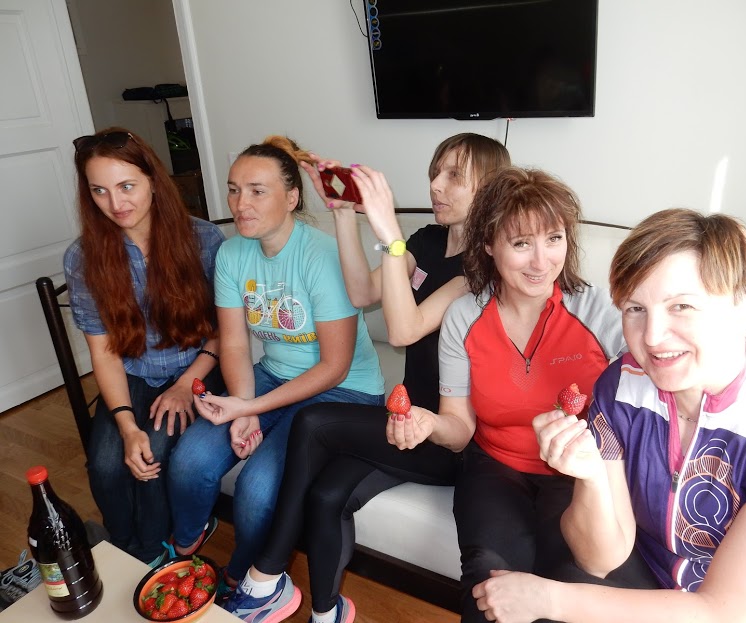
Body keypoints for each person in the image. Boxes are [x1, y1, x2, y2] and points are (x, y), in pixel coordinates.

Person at [473, 208, 746, 623]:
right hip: (655, 582)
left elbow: (723, 614)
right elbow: (600, 560)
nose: (653, 337)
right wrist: (591, 476)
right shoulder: (620, 385)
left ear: (745, 309)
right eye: (635, 309)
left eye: (681, 306)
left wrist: (547, 600)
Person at [222, 133, 510, 623]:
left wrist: (388, 231)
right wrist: (342, 214)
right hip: (405, 421)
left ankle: (265, 574)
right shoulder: (429, 240)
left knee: (313, 421)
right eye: (435, 173)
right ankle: (327, 612)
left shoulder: (483, 268)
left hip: (451, 437)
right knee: (326, 495)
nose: (436, 186)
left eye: (454, 176)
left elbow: (403, 330)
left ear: (490, 187)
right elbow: (361, 293)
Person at [167, 136, 386, 589]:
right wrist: (244, 405)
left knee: (258, 488)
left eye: (257, 191)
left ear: (291, 198)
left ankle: (243, 582)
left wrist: (248, 408)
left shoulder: (321, 255)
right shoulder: (231, 254)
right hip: (274, 375)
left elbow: (335, 367)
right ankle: (183, 555)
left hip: (344, 389)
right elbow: (234, 345)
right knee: (190, 460)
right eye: (234, 190)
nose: (240, 204)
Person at [63, 128, 225, 565]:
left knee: (153, 451)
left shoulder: (204, 240)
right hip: (132, 373)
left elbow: (226, 331)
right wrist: (124, 424)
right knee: (105, 464)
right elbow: (104, 352)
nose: (115, 203)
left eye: (126, 186)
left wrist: (186, 385)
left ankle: (154, 554)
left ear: (152, 179)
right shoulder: (82, 258)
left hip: (199, 368)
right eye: (99, 190)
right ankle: (122, 551)